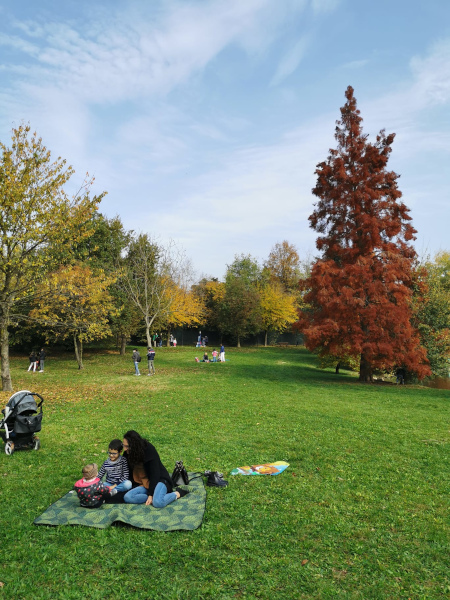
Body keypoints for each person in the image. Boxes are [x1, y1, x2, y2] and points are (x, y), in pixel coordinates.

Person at [122, 430, 188, 507]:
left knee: (158, 502)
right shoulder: (128, 454)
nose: (125, 449)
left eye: (127, 446)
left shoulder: (149, 450)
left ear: (134, 446)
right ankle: (156, 495)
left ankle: (177, 493)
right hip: (145, 483)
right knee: (128, 497)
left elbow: (155, 474)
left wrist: (151, 495)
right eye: (123, 445)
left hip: (159, 480)